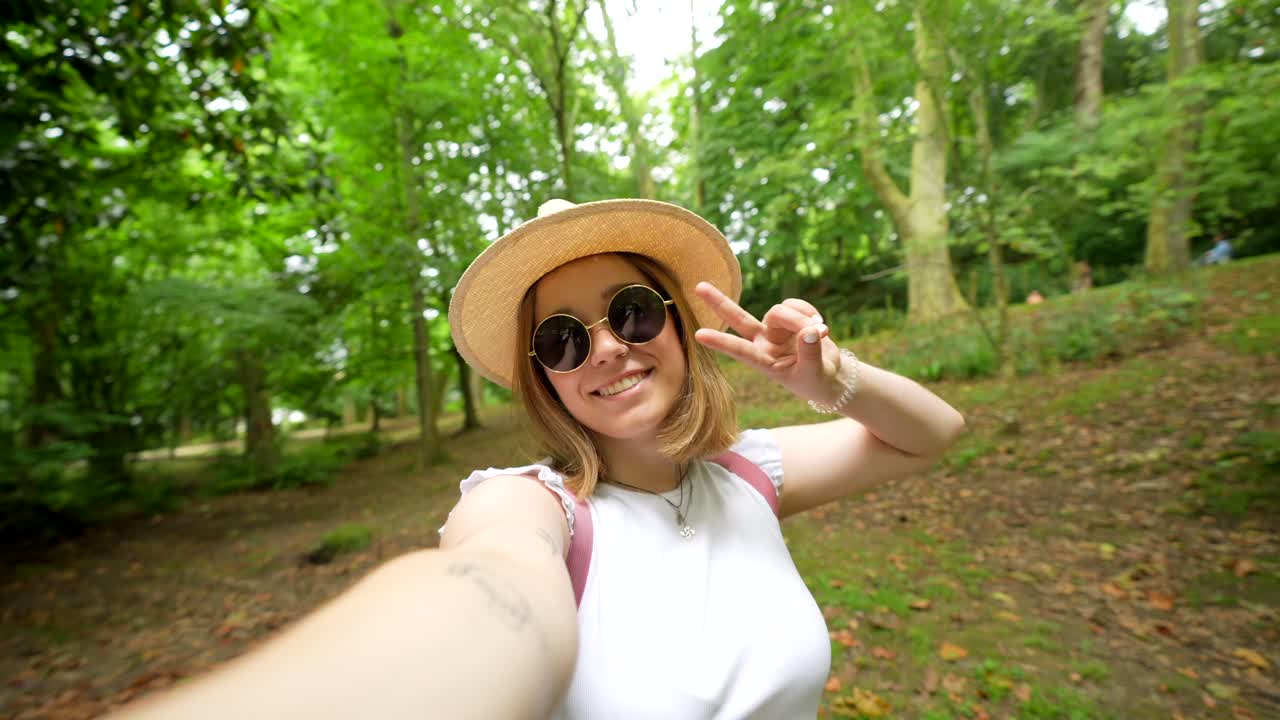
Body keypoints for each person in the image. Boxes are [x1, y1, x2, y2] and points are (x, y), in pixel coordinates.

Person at [108, 199, 965, 720]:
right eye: (561, 338)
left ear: (676, 323)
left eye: (630, 312)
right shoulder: (535, 509)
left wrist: (832, 376)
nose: (605, 349)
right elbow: (489, 591)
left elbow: (934, 432)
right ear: (542, 379)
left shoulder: (750, 472)